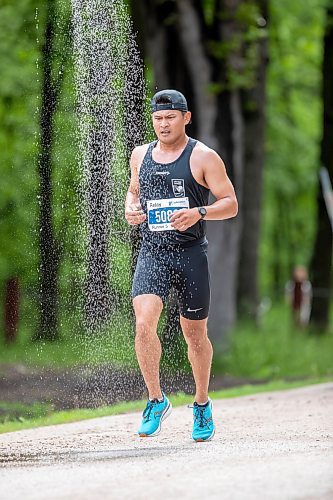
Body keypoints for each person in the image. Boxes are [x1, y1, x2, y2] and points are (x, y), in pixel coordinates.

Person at [125, 89, 238, 442]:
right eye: (158, 119)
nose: (163, 124)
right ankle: (156, 400)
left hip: (190, 254)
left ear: (185, 118)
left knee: (195, 335)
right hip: (152, 251)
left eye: (170, 117)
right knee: (144, 323)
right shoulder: (140, 155)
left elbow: (230, 203)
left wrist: (198, 212)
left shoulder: (203, 157)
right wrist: (131, 208)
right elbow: (133, 191)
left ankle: (201, 404)